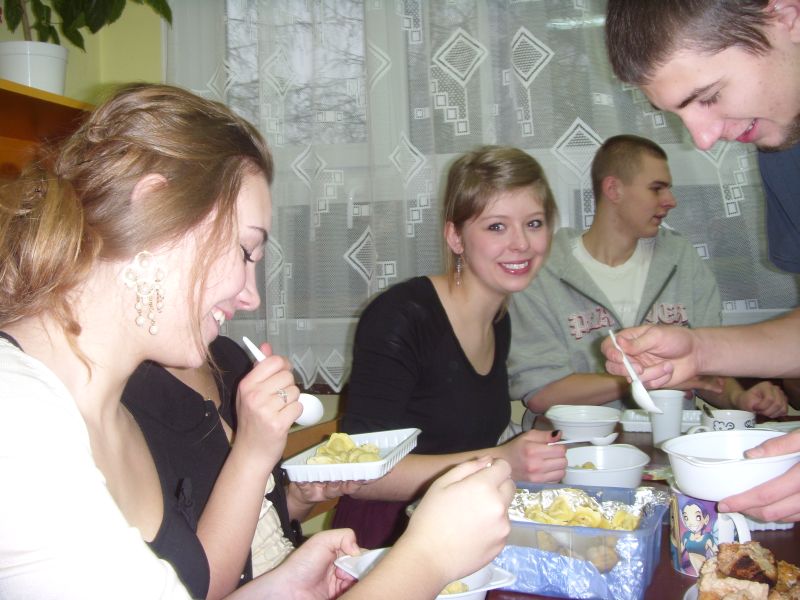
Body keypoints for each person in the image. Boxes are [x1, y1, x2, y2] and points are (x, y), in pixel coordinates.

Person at [0, 82, 516, 599]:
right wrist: (428, 557)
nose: (250, 296)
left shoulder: (111, 415)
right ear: (155, 208)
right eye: (246, 251)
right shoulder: (17, 419)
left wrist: (278, 589)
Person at [602, 0, 800, 523]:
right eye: (679, 115)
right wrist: (700, 351)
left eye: (710, 97)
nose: (704, 137)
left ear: (786, 15)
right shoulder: (784, 148)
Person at [332, 145, 568, 548]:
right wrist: (500, 460)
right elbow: (359, 477)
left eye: (534, 223)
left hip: (463, 525)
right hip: (387, 540)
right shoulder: (401, 316)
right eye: (496, 227)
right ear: (455, 237)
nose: (521, 244)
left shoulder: (498, 320)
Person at [508, 134, 787, 419]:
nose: (671, 201)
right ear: (614, 189)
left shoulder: (680, 258)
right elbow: (542, 393)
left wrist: (739, 397)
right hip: (575, 443)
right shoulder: (543, 269)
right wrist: (645, 379)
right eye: (657, 189)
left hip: (672, 439)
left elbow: (704, 371)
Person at [123, 335, 363, 598]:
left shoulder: (228, 357)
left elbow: (259, 531)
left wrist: (299, 499)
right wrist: (252, 452)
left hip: (294, 578)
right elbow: (190, 589)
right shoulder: (126, 402)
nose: (247, 307)